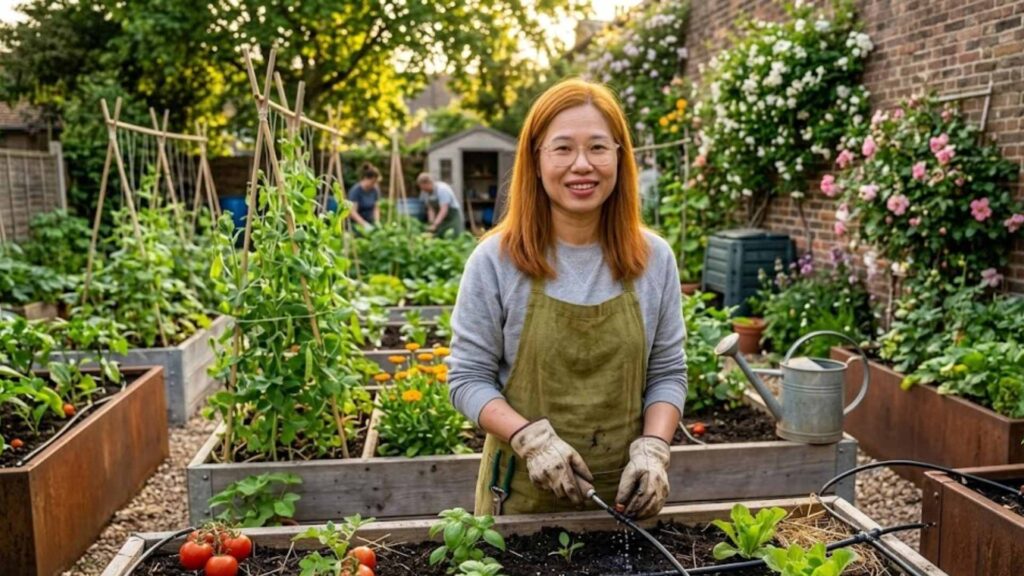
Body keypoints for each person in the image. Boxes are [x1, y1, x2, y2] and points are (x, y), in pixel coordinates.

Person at [447, 78, 687, 520]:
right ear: (536, 160)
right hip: (519, 504)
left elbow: (668, 372)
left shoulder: (655, 260)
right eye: (562, 149)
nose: (582, 165)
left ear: (619, 156)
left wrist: (655, 448)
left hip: (628, 505)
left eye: (598, 147)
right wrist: (528, 438)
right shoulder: (496, 261)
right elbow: (467, 380)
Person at [416, 172, 465, 237]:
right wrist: (431, 223)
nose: (423, 190)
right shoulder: (425, 192)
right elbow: (430, 209)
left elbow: (444, 210)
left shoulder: (442, 189)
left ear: (428, 183)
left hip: (452, 217)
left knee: (454, 236)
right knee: (441, 236)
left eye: (424, 188)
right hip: (440, 218)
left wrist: (435, 224)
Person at [347, 163, 381, 229]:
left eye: (375, 182)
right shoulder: (355, 191)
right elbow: (352, 212)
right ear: (366, 178)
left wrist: (377, 221)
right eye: (372, 182)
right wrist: (364, 224)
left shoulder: (375, 190)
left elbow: (376, 208)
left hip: (371, 222)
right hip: (357, 224)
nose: (374, 184)